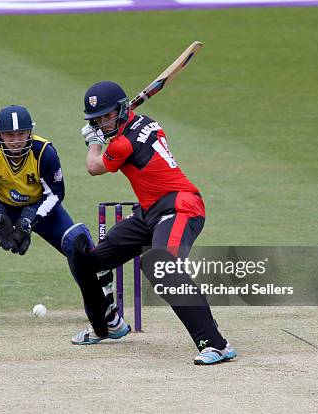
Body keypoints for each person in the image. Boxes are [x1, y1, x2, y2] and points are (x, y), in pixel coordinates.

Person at [0, 105, 130, 342]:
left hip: (39, 208)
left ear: (30, 133)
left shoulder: (45, 152)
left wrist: (29, 219)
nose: (15, 141)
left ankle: (100, 312)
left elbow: (55, 194)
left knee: (77, 242)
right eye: (10, 136)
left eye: (21, 134)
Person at [68, 81, 236, 365]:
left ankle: (216, 344)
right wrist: (103, 132)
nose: (102, 123)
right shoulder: (145, 121)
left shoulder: (122, 143)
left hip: (181, 206)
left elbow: (94, 167)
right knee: (88, 260)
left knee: (163, 268)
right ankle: (107, 325)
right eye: (96, 119)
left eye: (107, 116)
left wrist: (93, 141)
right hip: (149, 212)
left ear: (122, 110)